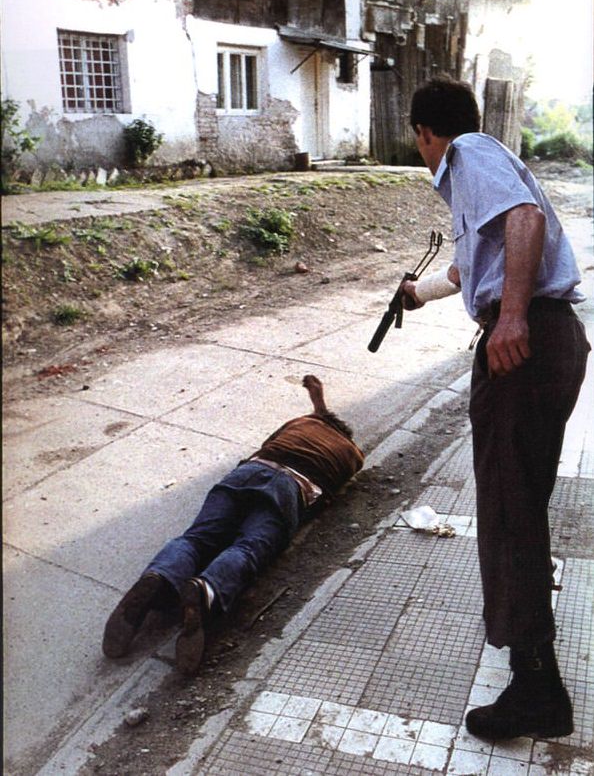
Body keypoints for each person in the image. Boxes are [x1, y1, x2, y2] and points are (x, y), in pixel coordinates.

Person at [402, 76, 590, 741]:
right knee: (520, 510)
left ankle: (536, 687)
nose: (422, 151)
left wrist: (510, 315)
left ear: (427, 133)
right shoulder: (483, 167)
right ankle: (534, 669)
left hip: (526, 345)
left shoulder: (469, 156)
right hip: (548, 340)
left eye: (418, 140)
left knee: (509, 514)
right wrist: (416, 293)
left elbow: (525, 222)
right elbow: (466, 267)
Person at [102, 374, 364, 676]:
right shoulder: (353, 454)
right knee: (249, 547)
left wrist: (318, 403)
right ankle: (206, 589)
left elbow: (299, 427)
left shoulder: (300, 424)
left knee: (197, 538)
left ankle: (160, 575)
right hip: (290, 487)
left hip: (249, 471)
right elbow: (330, 491)